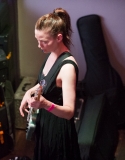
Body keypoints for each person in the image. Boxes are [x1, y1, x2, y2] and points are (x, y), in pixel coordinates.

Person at [19, 8, 81, 160]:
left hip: (58, 128)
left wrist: (45, 104)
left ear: (59, 37)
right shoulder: (52, 54)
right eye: (37, 40)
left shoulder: (67, 68)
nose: (39, 45)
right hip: (46, 122)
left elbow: (69, 112)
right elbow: (45, 83)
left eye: (44, 41)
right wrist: (28, 93)